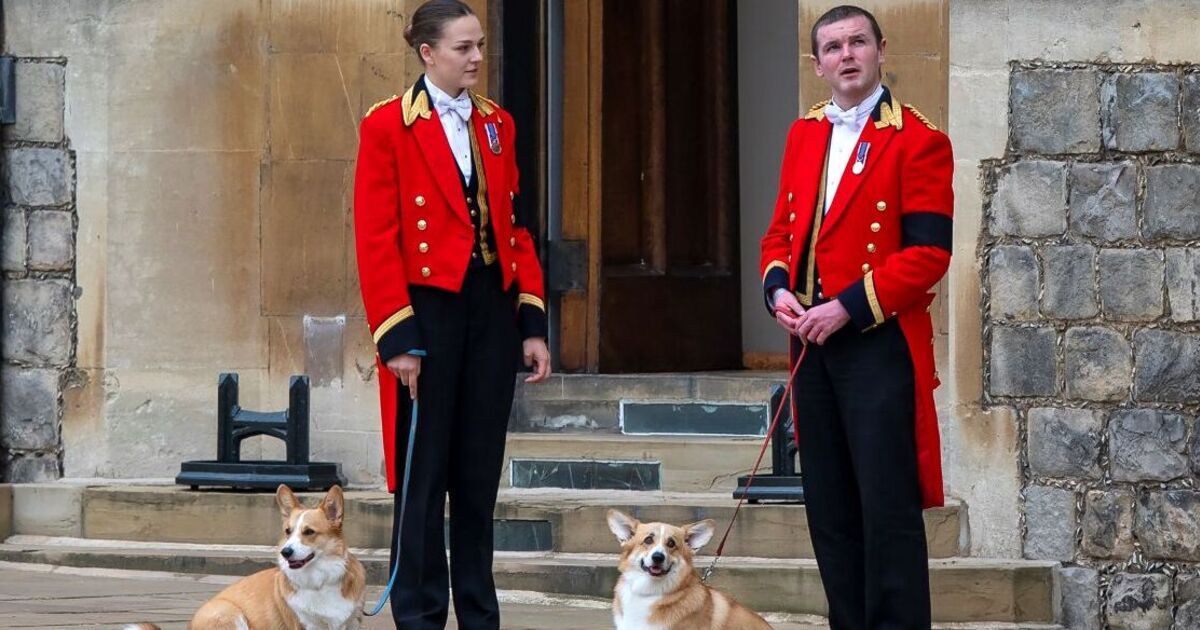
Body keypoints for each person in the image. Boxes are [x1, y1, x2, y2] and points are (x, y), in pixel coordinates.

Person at [352, 1, 551, 627]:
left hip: (489, 310)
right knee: (422, 477)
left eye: (481, 45)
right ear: (427, 53)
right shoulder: (387, 124)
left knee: (475, 477)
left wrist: (532, 321)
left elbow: (516, 227)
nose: (477, 58)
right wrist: (397, 337)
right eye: (464, 47)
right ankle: (417, 615)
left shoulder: (496, 123)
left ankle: (479, 615)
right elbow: (376, 236)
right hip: (424, 315)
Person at [758, 5, 953, 628]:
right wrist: (779, 291)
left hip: (877, 342)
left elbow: (928, 255)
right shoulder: (804, 133)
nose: (847, 55)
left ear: (881, 50)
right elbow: (781, 233)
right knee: (831, 509)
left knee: (886, 509)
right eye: (833, 47)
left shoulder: (920, 139)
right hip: (812, 347)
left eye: (858, 43)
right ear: (817, 64)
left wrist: (845, 307)